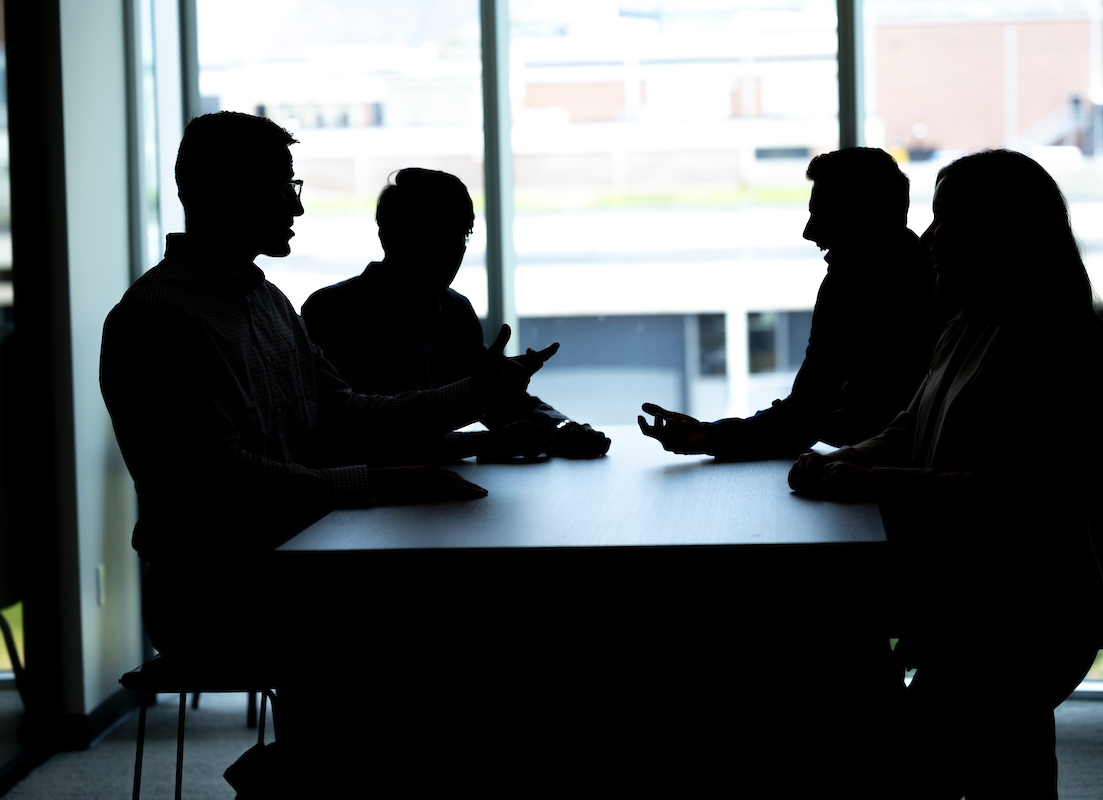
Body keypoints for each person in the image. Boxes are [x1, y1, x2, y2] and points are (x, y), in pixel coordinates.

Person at [99, 112, 556, 797]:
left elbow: (347, 410)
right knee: (461, 630)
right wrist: (378, 482)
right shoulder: (160, 317)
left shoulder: (268, 304)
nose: (296, 204)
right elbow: (221, 480)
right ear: (226, 192)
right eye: (283, 186)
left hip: (305, 564)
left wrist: (473, 393)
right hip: (218, 589)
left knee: (471, 621)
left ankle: (311, 772)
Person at [789, 149, 1103, 799]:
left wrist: (868, 478)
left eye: (947, 220)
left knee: (917, 765)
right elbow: (911, 426)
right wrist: (848, 458)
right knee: (1008, 769)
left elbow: (1004, 489)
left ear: (1000, 232)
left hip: (1027, 612)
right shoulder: (970, 319)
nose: (931, 236)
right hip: (977, 601)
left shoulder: (1046, 338)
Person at [639, 147, 945, 460]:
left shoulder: (937, 297)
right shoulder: (843, 284)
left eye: (824, 214)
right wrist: (711, 435)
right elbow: (805, 412)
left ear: (865, 216)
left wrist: (717, 435)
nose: (809, 232)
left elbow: (826, 421)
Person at [301, 167, 611, 461]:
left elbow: (495, 399)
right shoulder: (331, 313)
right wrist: (489, 439)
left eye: (463, 235)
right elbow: (358, 432)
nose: (454, 251)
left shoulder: (455, 311)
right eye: (436, 236)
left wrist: (561, 427)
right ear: (390, 236)